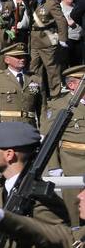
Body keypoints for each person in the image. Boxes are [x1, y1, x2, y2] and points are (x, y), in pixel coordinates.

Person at [40, 63, 85, 225]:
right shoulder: (60, 105)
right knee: (73, 206)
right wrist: (54, 166)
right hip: (73, 162)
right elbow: (50, 138)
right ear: (72, 85)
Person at [0, 42, 41, 130]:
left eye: (23, 57)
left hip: (29, 127)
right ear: (7, 60)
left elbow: (42, 107)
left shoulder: (34, 78)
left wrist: (43, 132)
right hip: (7, 128)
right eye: (18, 57)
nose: (22, 59)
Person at [27, 0, 69, 94]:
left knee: (52, 69)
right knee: (34, 68)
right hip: (35, 41)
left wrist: (62, 39)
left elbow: (61, 21)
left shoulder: (50, 3)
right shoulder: (32, 3)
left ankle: (55, 93)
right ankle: (37, 93)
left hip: (47, 40)